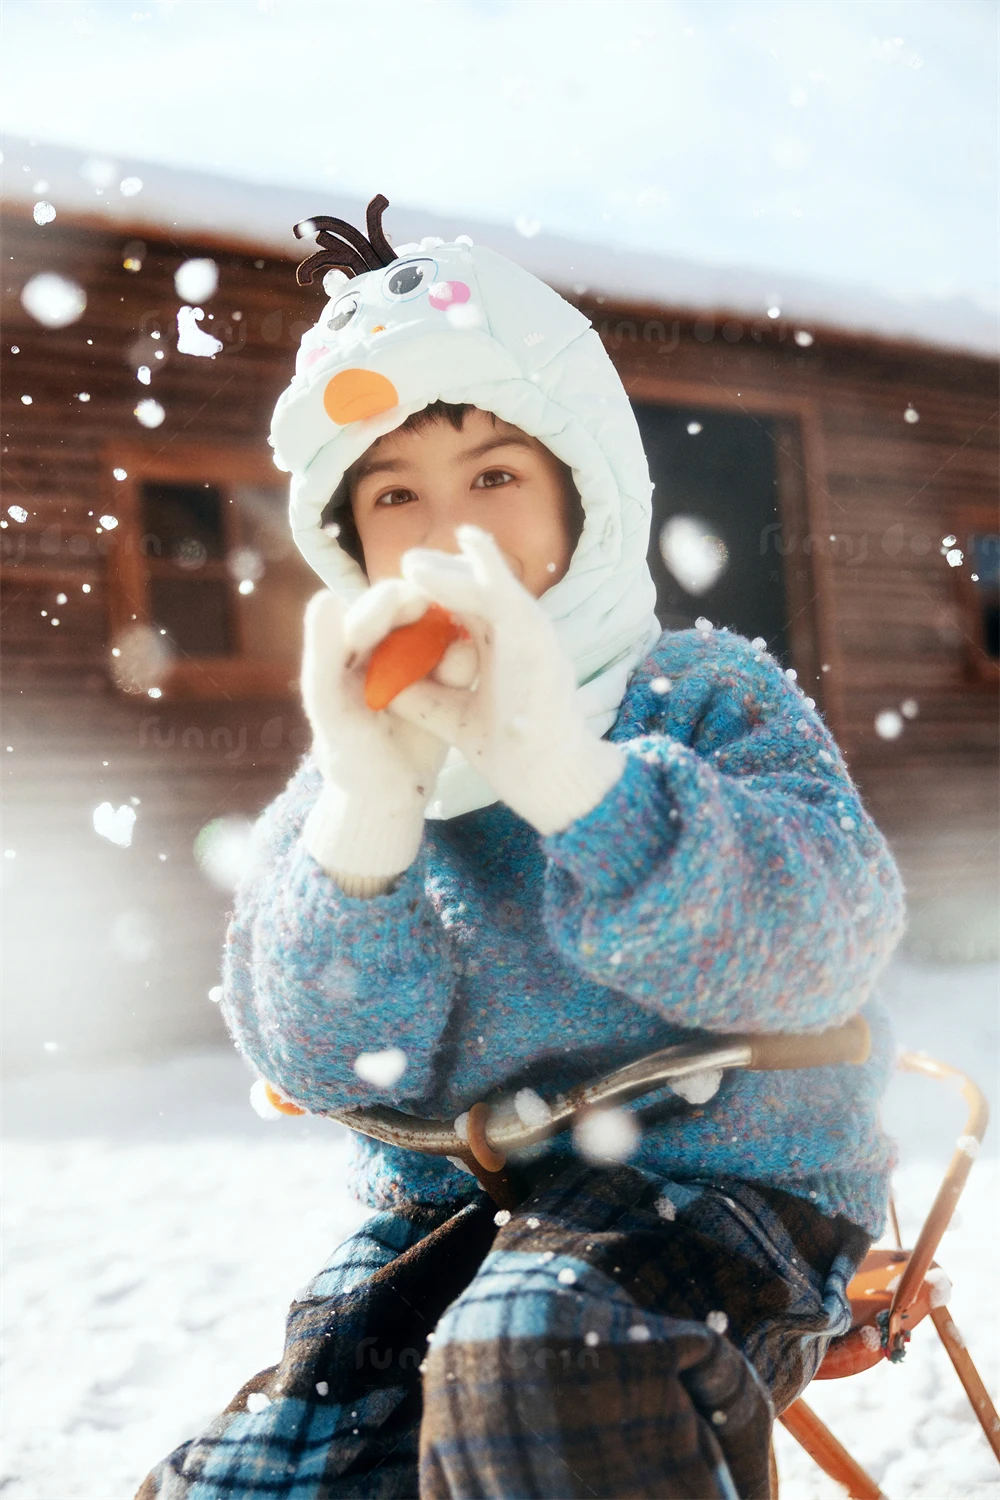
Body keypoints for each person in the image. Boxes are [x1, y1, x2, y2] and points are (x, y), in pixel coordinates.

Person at [137, 200, 906, 1500]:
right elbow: (316, 1050)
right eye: (395, 492)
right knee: (263, 1474)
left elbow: (820, 946)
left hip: (726, 1194)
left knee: (540, 1352)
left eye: (495, 475)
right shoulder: (361, 750)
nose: (447, 531)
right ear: (346, 538)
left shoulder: (702, 697)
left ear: (583, 495)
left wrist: (573, 775)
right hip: (445, 1222)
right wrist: (368, 821)